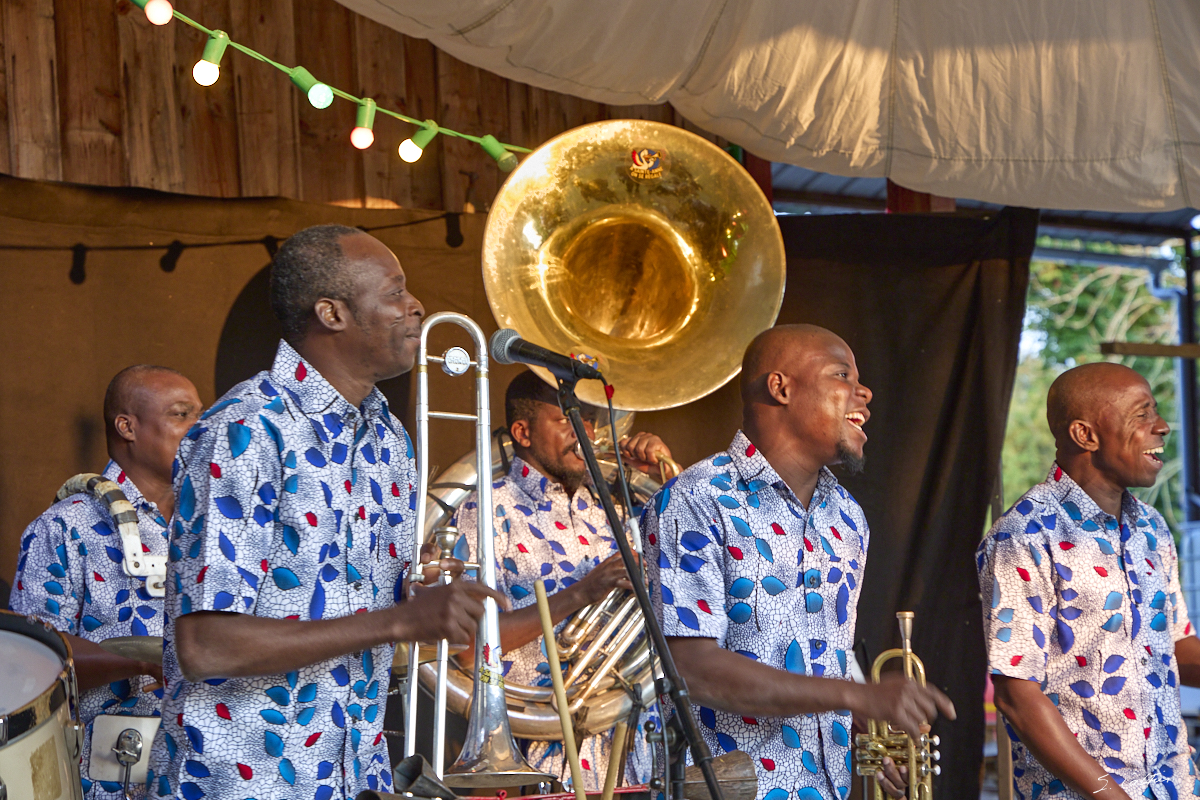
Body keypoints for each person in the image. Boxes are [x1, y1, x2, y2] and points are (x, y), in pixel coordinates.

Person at [147, 224, 505, 800]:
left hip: (355, 774)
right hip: (243, 783)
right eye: (395, 292)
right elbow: (205, 645)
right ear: (331, 313)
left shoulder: (389, 438)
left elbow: (354, 603)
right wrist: (399, 621)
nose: (416, 306)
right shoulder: (245, 430)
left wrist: (421, 593)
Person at [643, 324, 955, 800]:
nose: (865, 393)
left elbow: (827, 658)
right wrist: (856, 695)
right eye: (842, 375)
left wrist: (870, 726)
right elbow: (690, 667)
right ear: (781, 387)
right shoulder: (693, 499)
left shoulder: (848, 518)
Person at [979, 361, 1200, 800]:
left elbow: (1172, 643)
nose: (1161, 426)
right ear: (1085, 435)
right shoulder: (1024, 535)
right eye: (1142, 414)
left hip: (1173, 787)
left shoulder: (1152, 527)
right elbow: (1017, 696)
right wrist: (1110, 794)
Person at [452, 369, 671, 790]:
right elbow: (466, 647)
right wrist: (582, 593)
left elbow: (697, 571)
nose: (584, 432)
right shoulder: (485, 510)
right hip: (541, 758)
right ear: (523, 432)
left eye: (587, 419)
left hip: (635, 752)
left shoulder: (617, 507)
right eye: (566, 419)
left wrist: (665, 479)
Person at [10, 365, 204, 799]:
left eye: (200, 414)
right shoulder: (65, 526)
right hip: (109, 778)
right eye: (181, 414)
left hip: (201, 772)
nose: (199, 427)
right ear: (127, 427)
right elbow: (32, 661)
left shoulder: (210, 528)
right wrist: (146, 659)